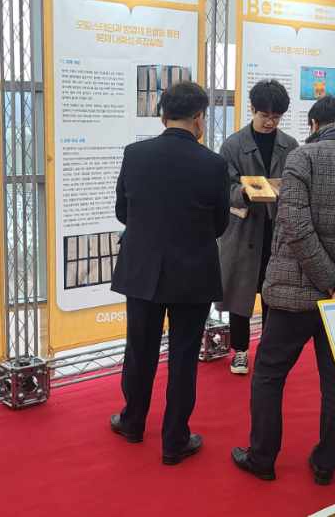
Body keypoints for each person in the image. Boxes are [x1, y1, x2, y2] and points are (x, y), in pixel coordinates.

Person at [230, 95, 335, 484]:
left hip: (294, 294)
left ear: (314, 125)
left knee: (269, 374)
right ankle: (326, 464)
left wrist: (328, 282)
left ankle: (262, 457)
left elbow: (294, 227)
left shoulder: (301, 159)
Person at [109, 81, 230, 465]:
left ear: (163, 116)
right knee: (183, 357)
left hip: (142, 268)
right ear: (199, 118)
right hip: (193, 272)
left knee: (139, 349)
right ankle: (174, 440)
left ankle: (132, 422)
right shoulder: (214, 164)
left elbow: (122, 211)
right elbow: (220, 224)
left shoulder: (135, 154)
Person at [218, 79, 299, 375]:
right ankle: (240, 351)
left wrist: (284, 189)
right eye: (265, 115)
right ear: (252, 109)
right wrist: (243, 192)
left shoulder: (290, 145)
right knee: (239, 294)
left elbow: (298, 184)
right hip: (243, 230)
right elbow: (222, 187)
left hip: (277, 231)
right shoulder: (233, 145)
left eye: (276, 117)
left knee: (273, 294)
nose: (270, 122)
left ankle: (269, 350)